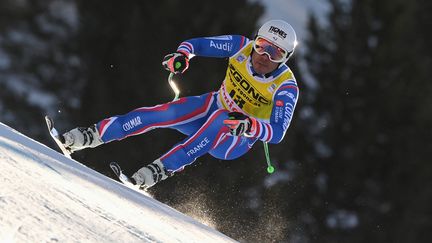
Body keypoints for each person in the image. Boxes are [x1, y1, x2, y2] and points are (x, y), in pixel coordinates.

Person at [60, 19, 299, 190]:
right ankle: (87, 136)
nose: (263, 56)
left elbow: (277, 133)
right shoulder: (241, 46)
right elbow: (196, 45)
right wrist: (182, 56)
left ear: (285, 58)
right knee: (162, 113)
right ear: (254, 41)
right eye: (261, 46)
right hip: (213, 106)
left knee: (221, 118)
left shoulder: (286, 87)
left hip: (234, 139)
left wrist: (248, 125)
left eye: (274, 53)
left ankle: (159, 170)